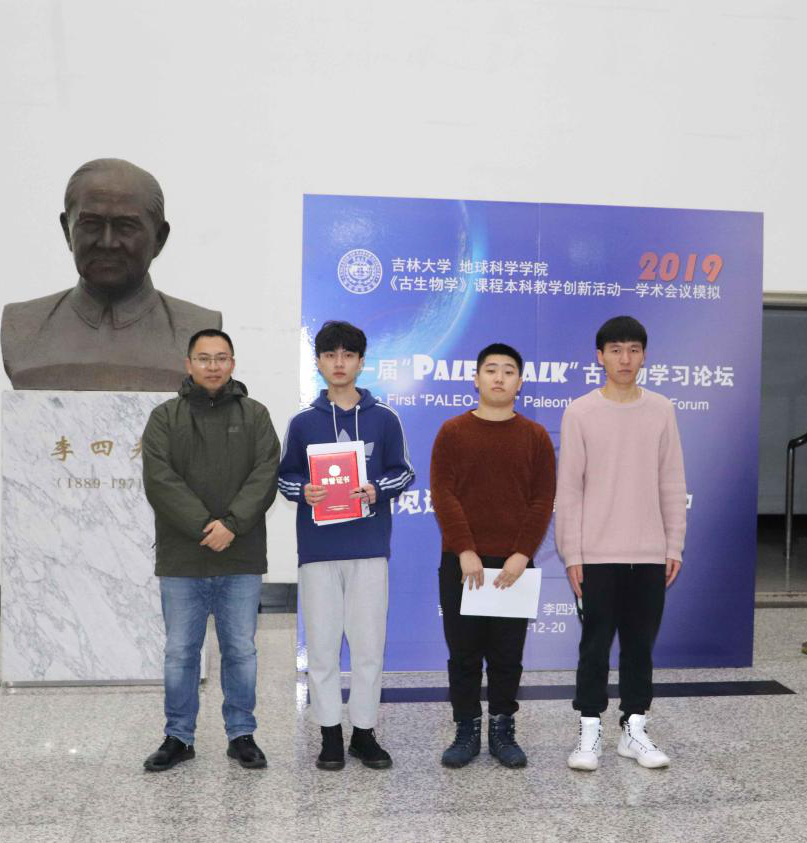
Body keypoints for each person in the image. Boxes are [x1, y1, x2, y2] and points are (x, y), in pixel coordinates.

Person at [140, 328, 280, 772]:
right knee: (181, 652)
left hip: (241, 555)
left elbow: (265, 475)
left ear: (233, 364)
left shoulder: (255, 415)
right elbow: (159, 480)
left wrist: (232, 525)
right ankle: (178, 737)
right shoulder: (165, 417)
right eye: (204, 358)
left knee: (240, 650)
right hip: (183, 557)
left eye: (221, 358)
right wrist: (206, 527)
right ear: (188, 364)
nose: (213, 366)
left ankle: (242, 735)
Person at [277, 321, 414, 770]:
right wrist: (304, 491)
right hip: (318, 551)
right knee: (321, 648)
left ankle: (365, 733)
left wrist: (376, 489)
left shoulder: (384, 418)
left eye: (348, 355)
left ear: (361, 362)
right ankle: (330, 734)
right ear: (318, 362)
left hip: (369, 548)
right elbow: (284, 476)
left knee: (369, 646)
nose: (339, 363)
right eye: (330, 355)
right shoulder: (303, 422)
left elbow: (404, 472)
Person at [556, 316, 685, 771]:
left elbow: (672, 482)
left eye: (633, 349)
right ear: (600, 357)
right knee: (594, 646)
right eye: (615, 350)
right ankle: (589, 731)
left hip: (649, 553)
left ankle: (634, 729)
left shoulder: (661, 409)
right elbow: (570, 488)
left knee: (639, 646)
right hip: (596, 554)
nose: (624, 358)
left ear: (644, 355)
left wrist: (673, 546)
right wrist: (572, 553)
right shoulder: (580, 412)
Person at [429, 343, 556, 769]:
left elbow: (542, 500)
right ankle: (466, 729)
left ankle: (503, 730)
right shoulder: (452, 432)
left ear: (520, 383)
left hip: (514, 565)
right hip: (461, 563)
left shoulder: (535, 437)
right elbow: (444, 495)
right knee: (463, 654)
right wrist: (465, 549)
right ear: (476, 379)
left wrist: (522, 554)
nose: (499, 377)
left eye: (508, 371)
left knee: (506, 656)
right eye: (490, 369)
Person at [2, 158, 221, 391]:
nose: (108, 243)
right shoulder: (23, 327)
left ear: (159, 238)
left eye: (126, 226)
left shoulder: (199, 330)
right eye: (91, 224)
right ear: (67, 230)